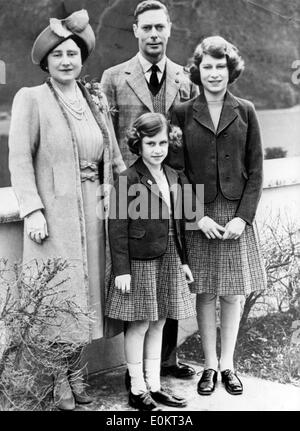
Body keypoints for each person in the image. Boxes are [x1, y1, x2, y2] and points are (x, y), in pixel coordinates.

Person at [8, 10, 126, 410]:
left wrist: (112, 187)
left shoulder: (94, 98)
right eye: (57, 54)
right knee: (59, 297)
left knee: (85, 297)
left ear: (82, 57)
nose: (65, 60)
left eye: (72, 52)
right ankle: (60, 379)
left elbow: (110, 153)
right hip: (54, 217)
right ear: (45, 61)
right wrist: (32, 210)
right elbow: (20, 159)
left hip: (93, 215)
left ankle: (76, 373)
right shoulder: (32, 99)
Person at [101, 0, 197, 380]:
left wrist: (189, 194)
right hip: (133, 186)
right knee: (142, 279)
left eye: (160, 27)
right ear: (136, 31)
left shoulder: (183, 78)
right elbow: (106, 137)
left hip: (174, 184)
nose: (154, 34)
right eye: (147, 28)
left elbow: (188, 138)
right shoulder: (113, 77)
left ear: (169, 29)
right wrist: (115, 180)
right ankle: (135, 371)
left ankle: (166, 360)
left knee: (172, 269)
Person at [169, 36, 267, 396]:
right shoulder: (181, 113)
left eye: (220, 67)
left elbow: (256, 171)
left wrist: (243, 217)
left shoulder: (246, 110)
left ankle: (228, 364)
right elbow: (175, 171)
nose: (213, 73)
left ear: (231, 71)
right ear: (198, 71)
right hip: (201, 214)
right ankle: (209, 365)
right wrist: (197, 217)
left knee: (232, 293)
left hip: (235, 214)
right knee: (206, 292)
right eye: (207, 66)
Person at [105, 113, 196, 410]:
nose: (157, 149)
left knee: (159, 321)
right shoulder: (128, 178)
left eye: (162, 142)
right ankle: (136, 386)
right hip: (140, 260)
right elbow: (116, 227)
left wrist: (183, 261)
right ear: (138, 144)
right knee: (139, 323)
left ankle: (154, 386)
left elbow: (178, 224)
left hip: (169, 255)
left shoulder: (174, 176)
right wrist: (122, 269)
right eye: (150, 143)